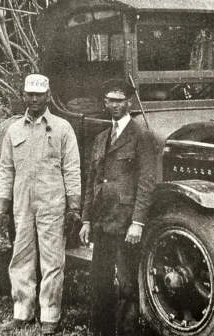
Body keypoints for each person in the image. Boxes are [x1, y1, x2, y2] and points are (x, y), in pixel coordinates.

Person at [0, 74, 81, 336]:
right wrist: (1, 208)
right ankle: (23, 312)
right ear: (23, 96)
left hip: (52, 205)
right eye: (29, 94)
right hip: (22, 205)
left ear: (48, 96)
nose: (34, 99)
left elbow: (72, 169)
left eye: (39, 94)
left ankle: (50, 315)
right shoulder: (13, 130)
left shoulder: (63, 128)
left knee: (53, 261)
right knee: (21, 258)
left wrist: (74, 207)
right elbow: (6, 171)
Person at [79, 79, 156, 336]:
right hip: (102, 220)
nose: (114, 105)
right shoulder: (101, 139)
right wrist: (86, 219)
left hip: (125, 223)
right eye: (110, 100)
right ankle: (100, 331)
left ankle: (126, 331)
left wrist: (138, 222)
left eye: (119, 100)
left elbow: (147, 183)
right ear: (105, 102)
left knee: (126, 284)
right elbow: (91, 182)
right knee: (99, 280)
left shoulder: (141, 136)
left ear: (129, 103)